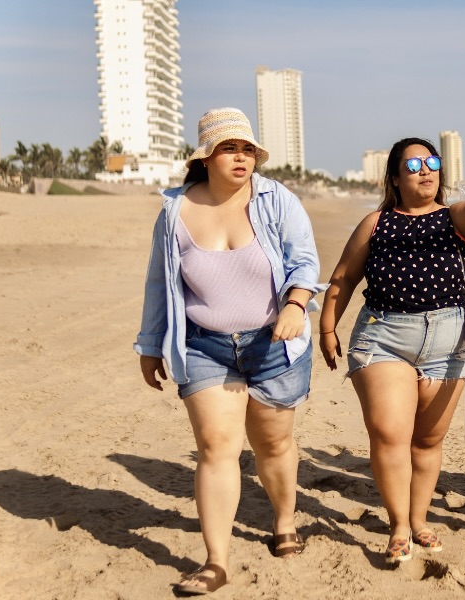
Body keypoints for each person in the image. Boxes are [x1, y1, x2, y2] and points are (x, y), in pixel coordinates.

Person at [135, 107, 322, 594]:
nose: (241, 159)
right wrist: (150, 344)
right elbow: (161, 282)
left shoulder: (275, 200)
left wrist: (297, 304)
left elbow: (304, 260)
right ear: (206, 157)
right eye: (229, 149)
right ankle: (216, 561)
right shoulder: (174, 211)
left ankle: (283, 520)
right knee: (216, 448)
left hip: (273, 342)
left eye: (247, 150)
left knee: (273, 444)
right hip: (205, 347)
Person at [318, 134, 465, 564]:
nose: (425, 171)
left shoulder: (455, 217)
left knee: (427, 441)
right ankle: (398, 524)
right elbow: (344, 278)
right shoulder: (376, 222)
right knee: (389, 434)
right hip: (385, 338)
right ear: (395, 178)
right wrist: (327, 327)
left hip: (449, 343)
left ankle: (419, 520)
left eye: (432, 162)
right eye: (414, 165)